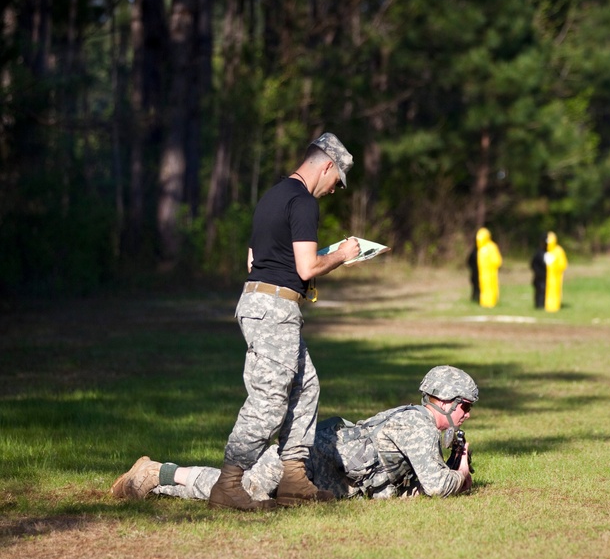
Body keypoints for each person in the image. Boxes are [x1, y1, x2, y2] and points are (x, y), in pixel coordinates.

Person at [209, 133, 362, 512]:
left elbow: (253, 257)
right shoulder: (304, 202)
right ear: (327, 166)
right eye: (336, 182)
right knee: (269, 399)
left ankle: (293, 477)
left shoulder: (273, 196)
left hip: (265, 303)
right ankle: (228, 483)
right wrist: (343, 254)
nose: (334, 191)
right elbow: (307, 266)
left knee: (305, 386)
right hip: (273, 309)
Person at [111, 366, 478, 504]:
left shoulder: (420, 424)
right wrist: (460, 473)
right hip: (310, 458)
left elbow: (406, 490)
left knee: (256, 502)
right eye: (465, 406)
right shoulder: (419, 424)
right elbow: (436, 487)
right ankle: (159, 472)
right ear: (445, 402)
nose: (466, 415)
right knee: (246, 491)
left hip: (333, 476)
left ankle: (154, 483)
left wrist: (451, 465)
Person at [530, 231, 568, 311]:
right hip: (541, 277)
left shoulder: (558, 251)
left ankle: (552, 306)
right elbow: (534, 264)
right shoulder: (540, 252)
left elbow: (562, 264)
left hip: (553, 277)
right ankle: (540, 306)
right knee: (540, 291)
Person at [475, 227, 502, 308]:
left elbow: (497, 260)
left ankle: (491, 302)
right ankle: (484, 302)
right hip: (482, 273)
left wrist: (492, 268)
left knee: (491, 287)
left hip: (490, 273)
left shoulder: (492, 247)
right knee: (483, 287)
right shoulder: (480, 249)